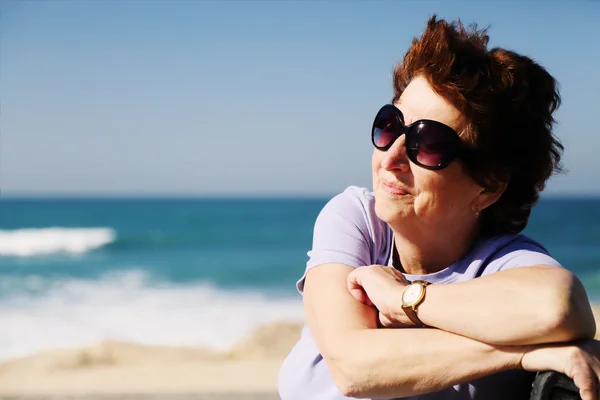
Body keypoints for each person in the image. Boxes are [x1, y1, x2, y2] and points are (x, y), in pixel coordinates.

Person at [278, 16, 600, 400]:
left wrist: (405, 299)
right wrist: (523, 352)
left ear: (489, 186)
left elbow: (559, 306)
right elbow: (354, 367)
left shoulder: (504, 266)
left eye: (427, 143)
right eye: (390, 124)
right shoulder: (358, 219)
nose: (391, 156)